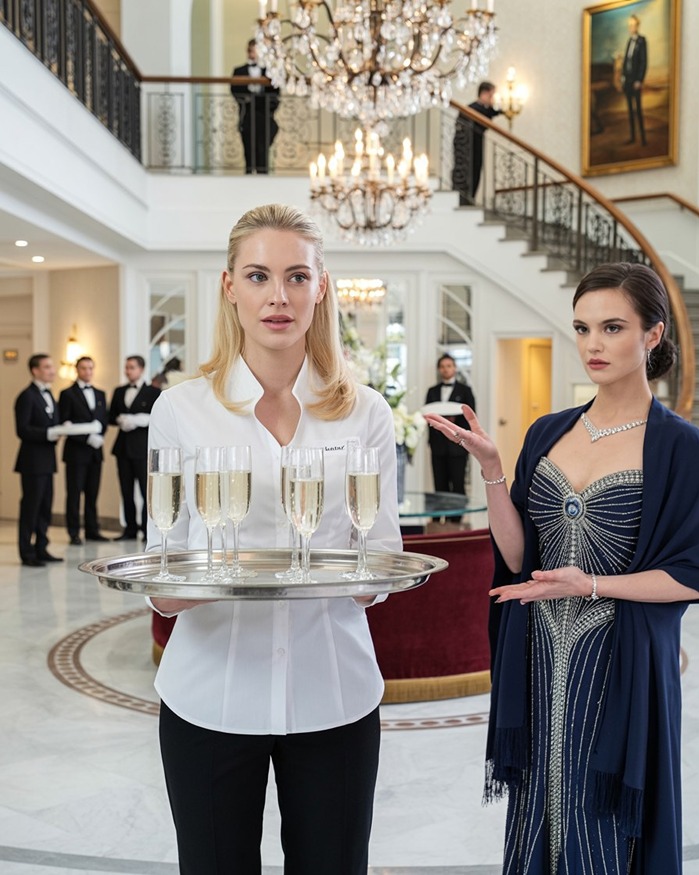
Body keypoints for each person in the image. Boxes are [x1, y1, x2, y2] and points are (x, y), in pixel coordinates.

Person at [147, 203, 401, 874]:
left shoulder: (367, 413)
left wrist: (361, 575)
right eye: (259, 276)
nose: (279, 296)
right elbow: (164, 580)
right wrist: (197, 579)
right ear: (230, 287)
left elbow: (380, 563)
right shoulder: (181, 409)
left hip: (335, 693)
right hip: (210, 696)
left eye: (297, 276)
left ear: (322, 287)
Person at [425, 262, 699, 873]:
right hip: (538, 657)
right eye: (582, 328)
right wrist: (493, 471)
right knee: (538, 818)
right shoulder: (548, 432)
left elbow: (692, 573)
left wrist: (593, 584)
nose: (592, 344)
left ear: (653, 334)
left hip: (619, 664)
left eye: (612, 327)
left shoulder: (682, 448)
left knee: (601, 826)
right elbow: (518, 558)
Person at [14, 353, 63, 567]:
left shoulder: (49, 394)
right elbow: (22, 429)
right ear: (35, 370)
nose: (52, 371)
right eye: (47, 367)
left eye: (52, 366)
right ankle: (26, 552)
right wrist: (48, 434)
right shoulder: (26, 396)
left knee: (45, 506)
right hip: (32, 462)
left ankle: (41, 547)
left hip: (48, 460)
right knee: (31, 507)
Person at [58, 356, 109, 545]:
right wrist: (86, 437)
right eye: (84, 368)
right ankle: (73, 532)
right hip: (76, 452)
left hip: (96, 453)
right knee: (74, 494)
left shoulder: (100, 393)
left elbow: (103, 420)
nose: (88, 371)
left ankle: (92, 530)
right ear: (77, 370)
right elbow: (65, 422)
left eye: (90, 368)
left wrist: (100, 436)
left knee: (92, 493)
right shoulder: (67, 394)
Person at [109, 356, 161, 541]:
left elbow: (159, 419)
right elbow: (110, 417)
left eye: (132, 367)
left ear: (141, 369)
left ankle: (148, 532)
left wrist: (140, 420)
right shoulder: (119, 391)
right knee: (126, 491)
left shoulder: (154, 392)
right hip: (122, 449)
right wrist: (121, 419)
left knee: (147, 492)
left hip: (143, 449)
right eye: (126, 367)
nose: (128, 371)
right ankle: (129, 529)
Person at [424, 353, 475, 495]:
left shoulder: (465, 390)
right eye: (442, 366)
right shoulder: (432, 391)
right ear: (439, 369)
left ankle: (458, 511)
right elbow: (427, 414)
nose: (445, 369)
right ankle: (439, 510)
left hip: (458, 445)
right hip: (437, 445)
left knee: (458, 484)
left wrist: (454, 422)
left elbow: (471, 417)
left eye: (448, 366)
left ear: (454, 368)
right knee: (439, 485)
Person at [231, 39, 280, 174]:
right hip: (247, 113)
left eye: (256, 50)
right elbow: (235, 90)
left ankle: (263, 172)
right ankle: (249, 172)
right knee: (248, 144)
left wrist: (265, 104)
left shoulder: (269, 71)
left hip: (263, 114)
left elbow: (275, 92)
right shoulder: (239, 71)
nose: (253, 53)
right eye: (251, 50)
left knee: (263, 145)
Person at [452, 81, 503, 206]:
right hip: (467, 148)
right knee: (468, 172)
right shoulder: (473, 109)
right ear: (484, 94)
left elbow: (492, 113)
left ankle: (470, 199)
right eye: (491, 96)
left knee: (476, 172)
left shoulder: (483, 109)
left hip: (476, 145)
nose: (492, 99)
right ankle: (464, 199)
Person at [622, 14, 647, 146]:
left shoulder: (642, 41)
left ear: (637, 26)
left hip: (636, 81)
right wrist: (623, 76)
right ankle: (632, 137)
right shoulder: (629, 41)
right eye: (629, 25)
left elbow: (643, 62)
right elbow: (626, 61)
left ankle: (643, 138)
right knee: (630, 110)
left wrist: (639, 80)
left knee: (638, 109)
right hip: (627, 80)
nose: (631, 27)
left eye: (633, 25)